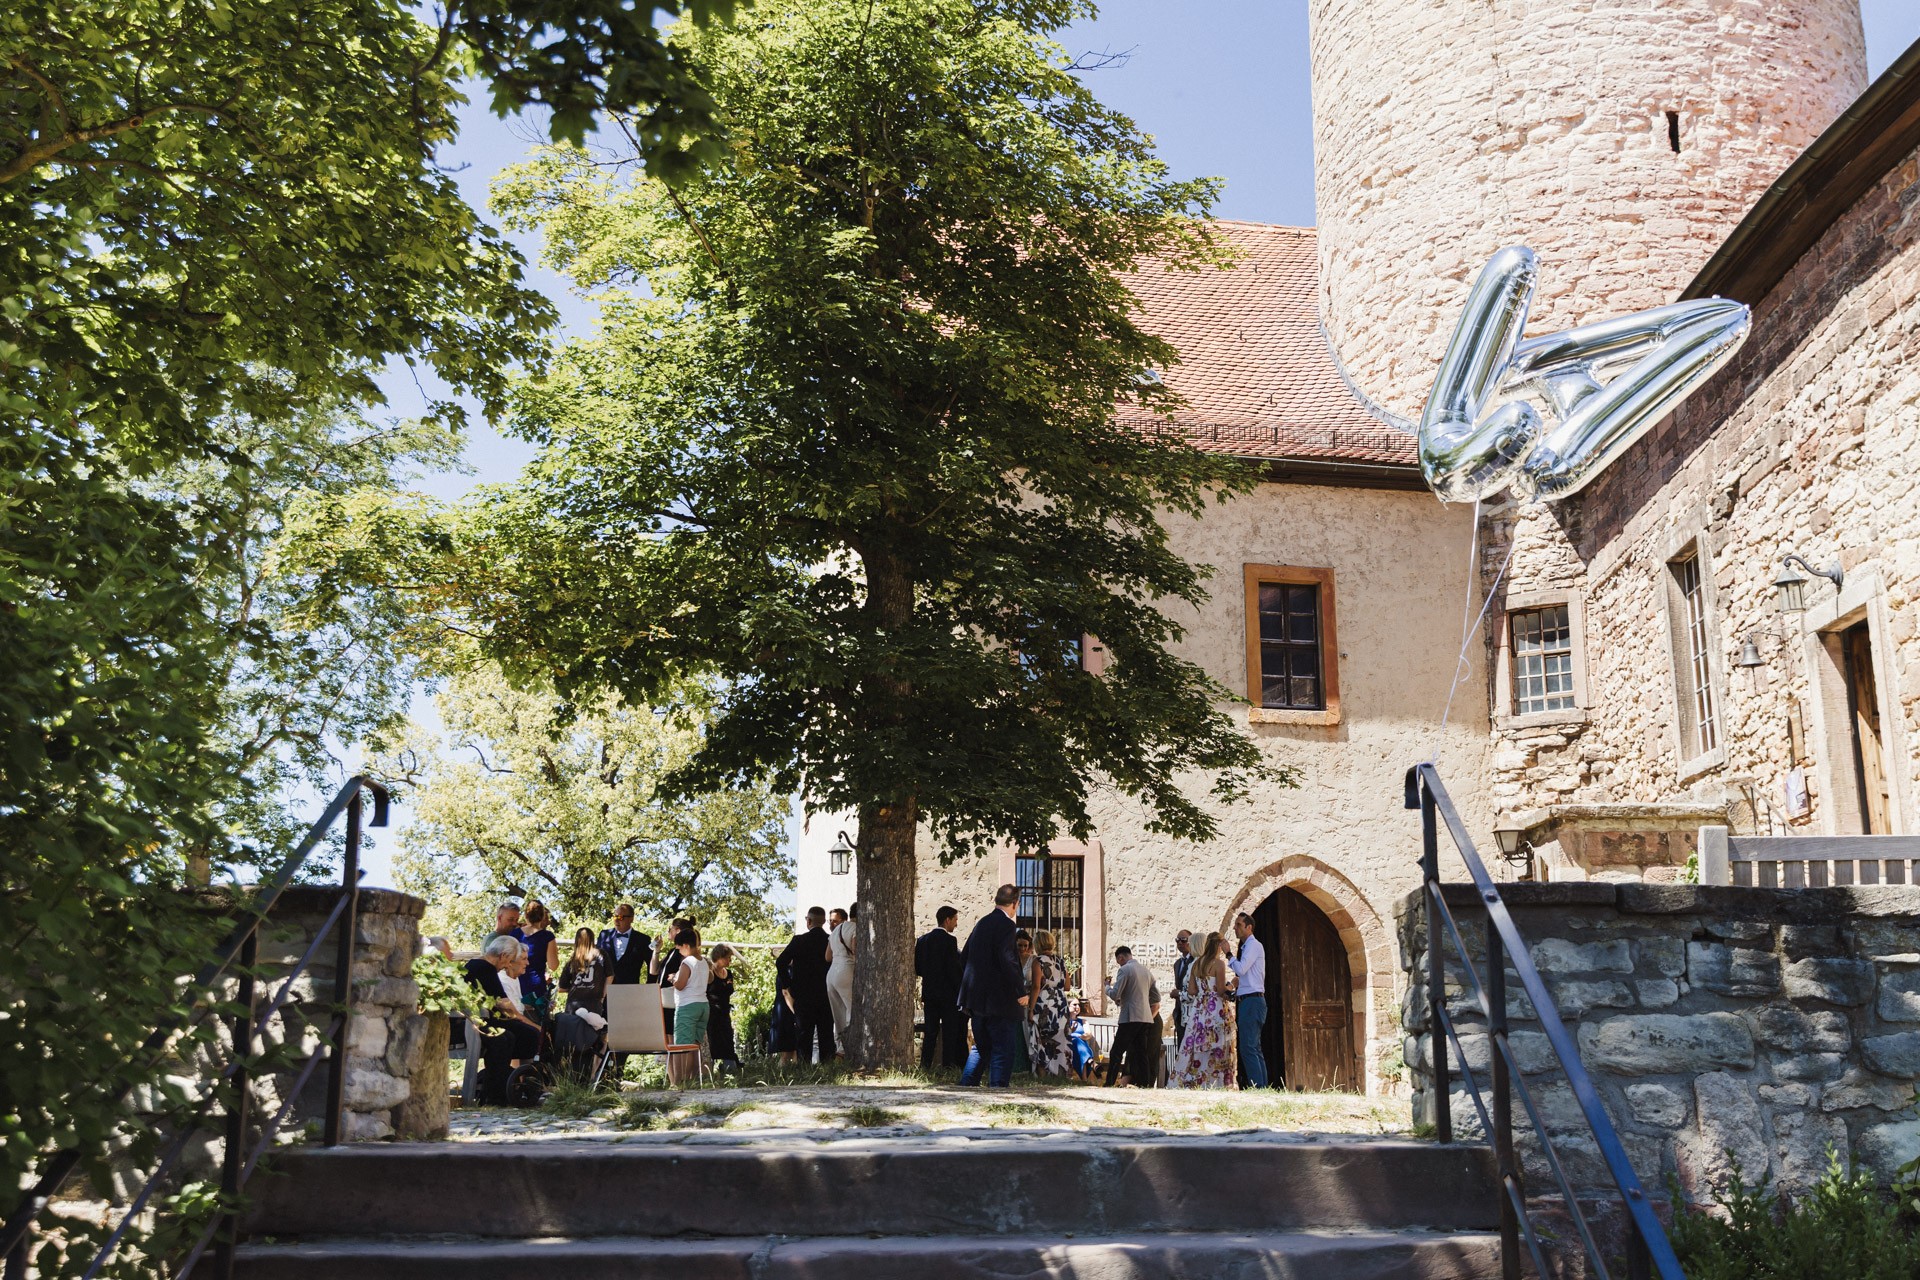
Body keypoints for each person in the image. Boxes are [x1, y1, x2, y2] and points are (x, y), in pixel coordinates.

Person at [957, 884, 1028, 1087]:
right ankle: (997, 1090)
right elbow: (1008, 959)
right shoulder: (1007, 926)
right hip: (1000, 999)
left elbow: (964, 957)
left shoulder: (982, 923)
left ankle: (967, 1084)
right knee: (1003, 1048)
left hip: (977, 999)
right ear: (1015, 904)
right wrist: (1020, 990)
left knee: (982, 1046)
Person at [463, 936, 541, 1103]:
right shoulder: (485, 967)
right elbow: (503, 1003)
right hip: (475, 1023)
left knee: (525, 1034)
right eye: (509, 960)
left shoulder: (479, 965)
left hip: (480, 1019)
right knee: (512, 1036)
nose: (507, 966)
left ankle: (507, 1079)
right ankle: (497, 1092)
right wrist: (520, 1018)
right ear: (503, 955)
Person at [1170, 931, 1236, 1088]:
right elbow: (1221, 990)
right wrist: (1233, 985)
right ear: (1219, 946)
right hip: (1216, 1009)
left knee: (1195, 1044)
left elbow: (1192, 991)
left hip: (1199, 1010)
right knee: (1217, 1044)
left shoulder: (1197, 964)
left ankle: (1192, 1079)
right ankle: (1215, 1082)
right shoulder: (1218, 964)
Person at [778, 907, 836, 1063]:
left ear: (808, 921)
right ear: (824, 921)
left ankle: (803, 1068)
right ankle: (828, 1067)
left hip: (803, 994)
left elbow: (780, 962)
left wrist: (787, 985)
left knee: (804, 1035)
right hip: (826, 994)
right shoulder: (830, 940)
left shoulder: (799, 941)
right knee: (826, 1035)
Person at [914, 906, 965, 1069]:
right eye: (955, 920)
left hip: (929, 992)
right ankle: (947, 1065)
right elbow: (952, 969)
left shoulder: (922, 940)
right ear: (947, 920)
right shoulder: (950, 941)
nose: (956, 924)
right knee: (949, 1032)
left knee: (930, 1032)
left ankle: (925, 1065)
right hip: (948, 994)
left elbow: (918, 968)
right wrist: (959, 990)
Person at [1103, 946, 1161, 1088]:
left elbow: (1115, 993)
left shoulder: (1124, 970)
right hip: (1146, 1017)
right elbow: (1156, 997)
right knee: (1141, 1052)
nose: (1119, 964)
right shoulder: (1146, 971)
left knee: (1116, 1051)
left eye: (1119, 961)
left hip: (1130, 1017)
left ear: (1121, 957)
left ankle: (1109, 1082)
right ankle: (1145, 1083)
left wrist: (1106, 987)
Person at [1025, 930, 1076, 1077]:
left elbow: (1035, 987)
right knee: (1061, 1038)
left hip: (1045, 1002)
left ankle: (1043, 1073)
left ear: (1037, 944)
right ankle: (1061, 1073)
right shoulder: (1060, 961)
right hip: (1060, 1002)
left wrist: (1031, 1009)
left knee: (1042, 1038)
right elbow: (1067, 986)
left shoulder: (1038, 961)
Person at [1230, 912, 1270, 1088]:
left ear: (1249, 927)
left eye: (1239, 925)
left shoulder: (1253, 945)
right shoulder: (1248, 947)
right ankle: (1261, 1087)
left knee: (1248, 1048)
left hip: (1252, 1002)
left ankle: (1258, 1087)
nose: (1235, 928)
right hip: (1250, 1000)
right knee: (1254, 1047)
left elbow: (1241, 969)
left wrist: (1228, 954)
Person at [667, 930, 708, 1084]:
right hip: (703, 1005)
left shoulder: (687, 962)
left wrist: (673, 979)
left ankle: (679, 1081)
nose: (679, 952)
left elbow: (681, 985)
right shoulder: (704, 961)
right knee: (694, 1045)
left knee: (683, 1046)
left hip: (687, 1007)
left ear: (685, 945)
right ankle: (692, 1080)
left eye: (679, 949)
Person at [598, 903, 654, 987]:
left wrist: (649, 986)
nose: (616, 920)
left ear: (631, 919)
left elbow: (652, 964)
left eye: (620, 917)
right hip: (605, 989)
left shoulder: (642, 939)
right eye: (615, 916)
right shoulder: (604, 935)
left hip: (630, 991)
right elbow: (595, 961)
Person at [518, 900, 559, 1016]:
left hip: (516, 984)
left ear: (525, 916)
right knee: (537, 1027)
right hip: (536, 987)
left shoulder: (514, 934)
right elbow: (553, 966)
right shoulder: (547, 937)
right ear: (542, 917)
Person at [827, 902, 857, 1050]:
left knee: (837, 1012)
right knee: (851, 1009)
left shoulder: (836, 930)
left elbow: (827, 956)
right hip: (846, 970)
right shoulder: (856, 929)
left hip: (831, 973)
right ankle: (847, 1048)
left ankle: (839, 1044)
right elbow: (856, 950)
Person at [707, 944, 739, 1071]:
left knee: (728, 1039)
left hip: (725, 1013)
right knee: (712, 1041)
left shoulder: (729, 974)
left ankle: (729, 1069)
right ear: (719, 957)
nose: (730, 961)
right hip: (711, 1013)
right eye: (727, 958)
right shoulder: (709, 973)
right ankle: (709, 1070)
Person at [770, 950, 798, 1062]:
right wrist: (796, 1013)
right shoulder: (788, 971)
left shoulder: (788, 970)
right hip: (786, 1010)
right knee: (788, 1051)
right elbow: (786, 993)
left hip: (784, 1009)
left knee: (792, 1050)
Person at [1171, 930, 1195, 1048]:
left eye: (1183, 940)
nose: (1180, 943)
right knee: (1181, 1048)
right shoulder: (1177, 964)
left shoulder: (1196, 962)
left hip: (1192, 1011)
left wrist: (1179, 993)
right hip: (1180, 1011)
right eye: (1177, 940)